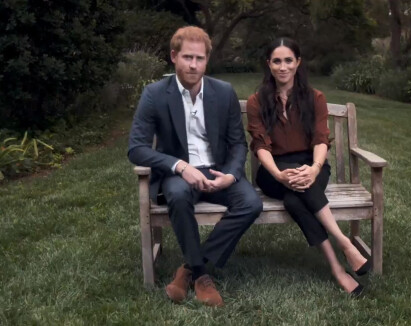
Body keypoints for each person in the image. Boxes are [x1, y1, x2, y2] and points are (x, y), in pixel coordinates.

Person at [128, 26, 262, 307]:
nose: (193, 64)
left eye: (199, 59)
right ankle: (201, 275)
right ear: (174, 56)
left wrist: (231, 174)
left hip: (218, 170)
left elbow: (238, 143)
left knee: (251, 203)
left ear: (206, 60)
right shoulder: (154, 94)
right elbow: (136, 148)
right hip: (179, 174)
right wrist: (178, 166)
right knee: (176, 194)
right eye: (187, 57)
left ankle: (188, 267)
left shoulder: (223, 92)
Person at [246, 37, 370, 296]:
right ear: (268, 64)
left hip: (311, 164)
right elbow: (260, 146)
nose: (283, 67)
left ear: (298, 62)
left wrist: (314, 168)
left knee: (295, 199)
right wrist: (280, 175)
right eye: (277, 61)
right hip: (273, 170)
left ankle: (337, 268)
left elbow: (320, 138)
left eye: (288, 60)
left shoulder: (315, 98)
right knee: (296, 189)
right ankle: (344, 242)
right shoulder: (257, 101)